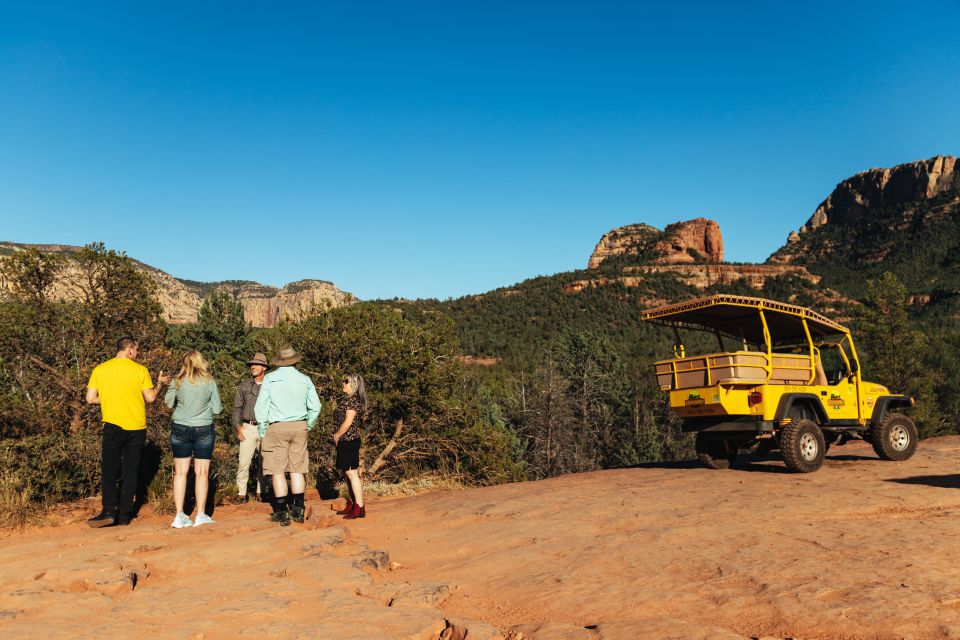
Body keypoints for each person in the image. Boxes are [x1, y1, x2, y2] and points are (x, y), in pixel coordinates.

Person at [85, 336, 171, 527]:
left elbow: (91, 399)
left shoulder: (100, 369)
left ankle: (108, 511)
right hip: (137, 427)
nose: (138, 353)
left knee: (109, 470)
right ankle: (125, 515)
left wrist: (109, 399)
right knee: (130, 471)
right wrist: (160, 384)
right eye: (137, 350)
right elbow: (150, 398)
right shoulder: (140, 370)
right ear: (130, 349)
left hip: (113, 426)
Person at [254, 347, 320, 526]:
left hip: (276, 427)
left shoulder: (270, 379)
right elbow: (316, 407)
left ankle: (282, 512)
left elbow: (261, 408)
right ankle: (298, 509)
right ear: (295, 361)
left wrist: (262, 430)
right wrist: (309, 425)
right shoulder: (305, 380)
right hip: (300, 426)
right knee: (297, 468)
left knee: (277, 470)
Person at [164, 351, 223, 528]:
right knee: (202, 472)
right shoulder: (209, 381)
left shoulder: (177, 381)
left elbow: (168, 403)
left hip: (180, 427)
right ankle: (201, 515)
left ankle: (180, 515)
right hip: (204, 427)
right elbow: (218, 409)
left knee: (181, 472)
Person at [232, 352, 269, 503]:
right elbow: (236, 408)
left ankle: (262, 492)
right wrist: (237, 426)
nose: (253, 367)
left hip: (266, 427)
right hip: (248, 427)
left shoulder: (271, 385)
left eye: (256, 364)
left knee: (265, 462)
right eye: (251, 364)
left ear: (264, 367)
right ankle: (241, 494)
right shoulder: (244, 385)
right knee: (243, 462)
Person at [333, 373, 367, 519]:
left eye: (346, 381)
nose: (343, 383)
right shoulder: (348, 400)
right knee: (348, 473)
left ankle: (359, 507)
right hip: (346, 441)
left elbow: (347, 423)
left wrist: (337, 435)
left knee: (352, 473)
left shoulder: (353, 401)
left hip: (349, 440)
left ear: (353, 384)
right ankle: (354, 504)